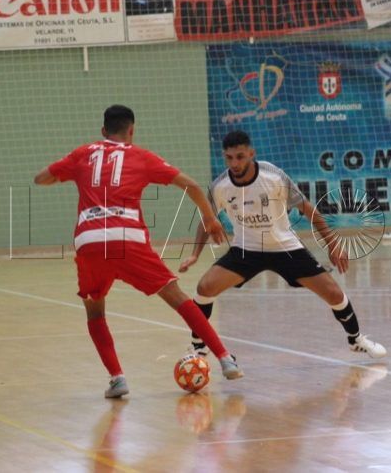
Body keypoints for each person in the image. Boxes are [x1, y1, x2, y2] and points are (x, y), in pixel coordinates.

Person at [34, 105, 243, 398]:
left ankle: (117, 378)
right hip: (128, 238)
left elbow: (40, 178)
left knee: (95, 311)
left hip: (89, 240)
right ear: (131, 131)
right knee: (177, 297)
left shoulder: (82, 154)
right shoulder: (141, 156)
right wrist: (209, 218)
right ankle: (225, 358)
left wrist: (63, 174)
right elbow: (192, 185)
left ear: (103, 131)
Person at [178, 130, 387, 359]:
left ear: (251, 154)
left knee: (333, 293)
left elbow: (308, 209)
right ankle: (199, 348)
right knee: (205, 287)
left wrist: (333, 244)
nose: (234, 163)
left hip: (285, 247)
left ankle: (356, 340)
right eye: (229, 158)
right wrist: (195, 254)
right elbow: (207, 219)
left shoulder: (273, 177)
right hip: (246, 249)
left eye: (240, 157)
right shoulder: (221, 186)